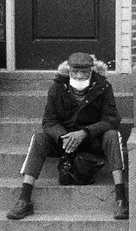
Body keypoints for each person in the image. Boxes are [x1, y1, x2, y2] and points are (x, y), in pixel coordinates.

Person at [7, 52, 128, 221]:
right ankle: (24, 199)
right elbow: (49, 121)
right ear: (68, 71)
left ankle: (121, 199)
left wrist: (85, 133)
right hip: (64, 140)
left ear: (92, 71)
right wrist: (64, 137)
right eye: (75, 71)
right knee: (39, 137)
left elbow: (111, 119)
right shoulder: (57, 87)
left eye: (84, 72)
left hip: (92, 139)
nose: (79, 76)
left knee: (112, 135)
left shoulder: (103, 87)